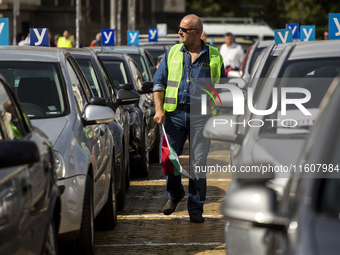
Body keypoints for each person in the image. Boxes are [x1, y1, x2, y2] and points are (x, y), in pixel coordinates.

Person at [153, 14, 224, 223]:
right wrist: (159, 110)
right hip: (173, 115)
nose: (180, 32)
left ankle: (196, 208)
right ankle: (175, 194)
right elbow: (159, 83)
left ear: (197, 33)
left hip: (201, 116)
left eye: (184, 29)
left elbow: (220, 86)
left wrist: (215, 103)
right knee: (167, 160)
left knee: (198, 163)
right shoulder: (173, 52)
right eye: (179, 28)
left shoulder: (213, 56)